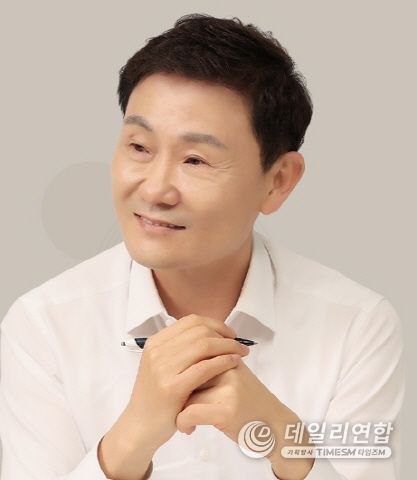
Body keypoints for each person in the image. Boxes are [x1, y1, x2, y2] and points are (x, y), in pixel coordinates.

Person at [0, 13, 404, 480]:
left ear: (277, 181)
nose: (155, 190)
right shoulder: (44, 327)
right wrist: (130, 439)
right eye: (139, 147)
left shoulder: (356, 326)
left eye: (195, 160)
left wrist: (281, 437)